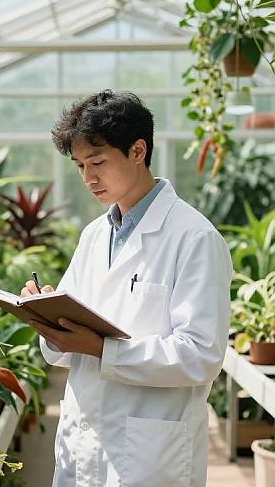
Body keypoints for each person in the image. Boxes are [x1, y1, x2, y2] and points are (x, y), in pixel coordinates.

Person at [20, 90, 233, 487]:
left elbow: (201, 354)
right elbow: (64, 352)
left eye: (97, 162)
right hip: (82, 445)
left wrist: (102, 349)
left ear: (138, 151)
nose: (88, 178)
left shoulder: (194, 238)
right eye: (80, 166)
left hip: (150, 455)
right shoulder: (94, 236)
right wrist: (47, 319)